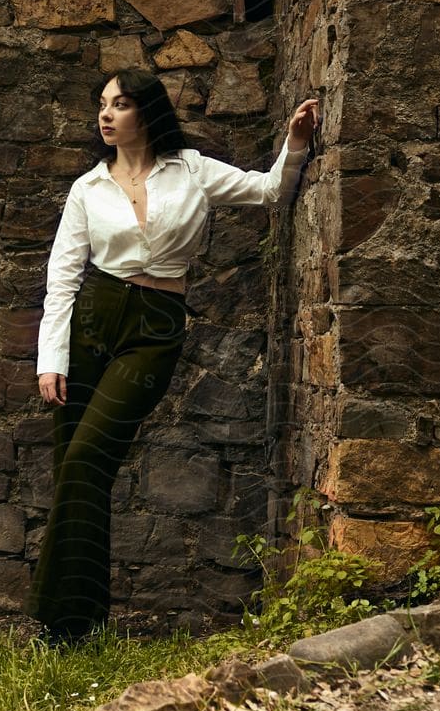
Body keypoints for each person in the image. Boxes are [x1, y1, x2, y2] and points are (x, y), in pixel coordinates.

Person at [24, 67, 320, 646]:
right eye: (102, 104)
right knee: (75, 473)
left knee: (87, 460)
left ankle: (53, 618)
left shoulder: (191, 171)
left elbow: (267, 192)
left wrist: (297, 142)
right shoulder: (87, 188)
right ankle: (74, 628)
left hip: (155, 324)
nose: (106, 115)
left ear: (148, 113)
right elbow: (62, 280)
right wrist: (49, 358)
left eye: (121, 104)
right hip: (90, 320)